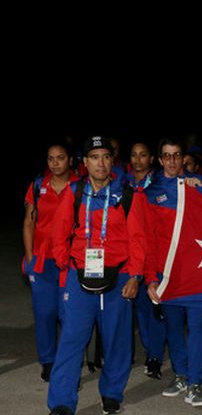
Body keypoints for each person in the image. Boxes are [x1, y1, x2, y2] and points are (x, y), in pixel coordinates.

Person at [47, 136, 146, 415]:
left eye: (105, 157)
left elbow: (138, 240)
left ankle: (112, 393)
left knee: (117, 341)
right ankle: (62, 402)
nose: (100, 163)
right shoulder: (74, 192)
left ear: (112, 160)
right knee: (71, 340)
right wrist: (65, 263)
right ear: (85, 162)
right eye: (94, 157)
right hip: (80, 275)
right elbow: (59, 232)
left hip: (118, 277)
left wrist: (135, 276)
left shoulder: (128, 195)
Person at [144, 138, 202, 407]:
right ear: (160, 160)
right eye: (167, 156)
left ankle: (196, 383)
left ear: (183, 158)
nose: (172, 161)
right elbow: (148, 239)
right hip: (167, 272)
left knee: (196, 326)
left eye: (177, 156)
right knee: (173, 327)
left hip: (196, 270)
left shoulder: (201, 184)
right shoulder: (151, 193)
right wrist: (151, 277)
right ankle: (181, 374)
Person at [23, 142, 77, 382]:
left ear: (71, 160)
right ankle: (47, 360)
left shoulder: (81, 186)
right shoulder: (37, 186)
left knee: (69, 314)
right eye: (51, 158)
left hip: (70, 261)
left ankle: (66, 362)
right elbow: (28, 223)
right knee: (44, 313)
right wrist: (30, 257)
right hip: (43, 260)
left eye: (61, 158)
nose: (55, 163)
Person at [126, 142, 165, 380]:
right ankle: (139, 350)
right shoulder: (123, 184)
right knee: (138, 307)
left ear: (151, 158)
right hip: (132, 254)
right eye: (134, 155)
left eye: (143, 155)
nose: (138, 159)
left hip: (155, 252)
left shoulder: (159, 184)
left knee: (154, 308)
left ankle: (155, 357)